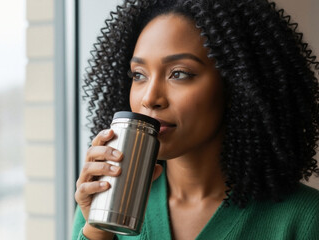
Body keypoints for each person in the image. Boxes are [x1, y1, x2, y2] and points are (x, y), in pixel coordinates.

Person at [72, 0, 319, 239]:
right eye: (139, 75)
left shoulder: (305, 218)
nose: (150, 98)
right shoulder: (105, 204)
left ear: (236, 85)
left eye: (179, 73)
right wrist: (96, 233)